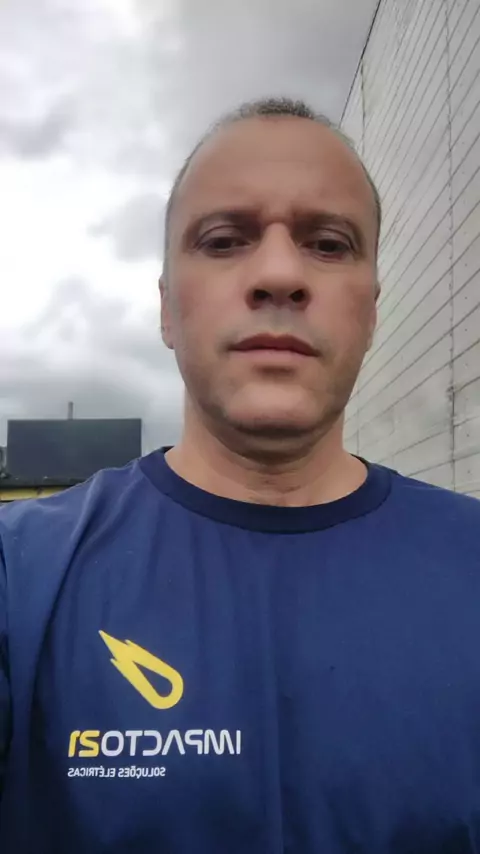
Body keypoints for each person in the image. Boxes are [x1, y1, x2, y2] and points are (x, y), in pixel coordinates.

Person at [1, 96, 480, 854]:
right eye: (225, 240)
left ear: (372, 312)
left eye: (328, 244)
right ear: (167, 310)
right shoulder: (21, 575)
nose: (280, 273)